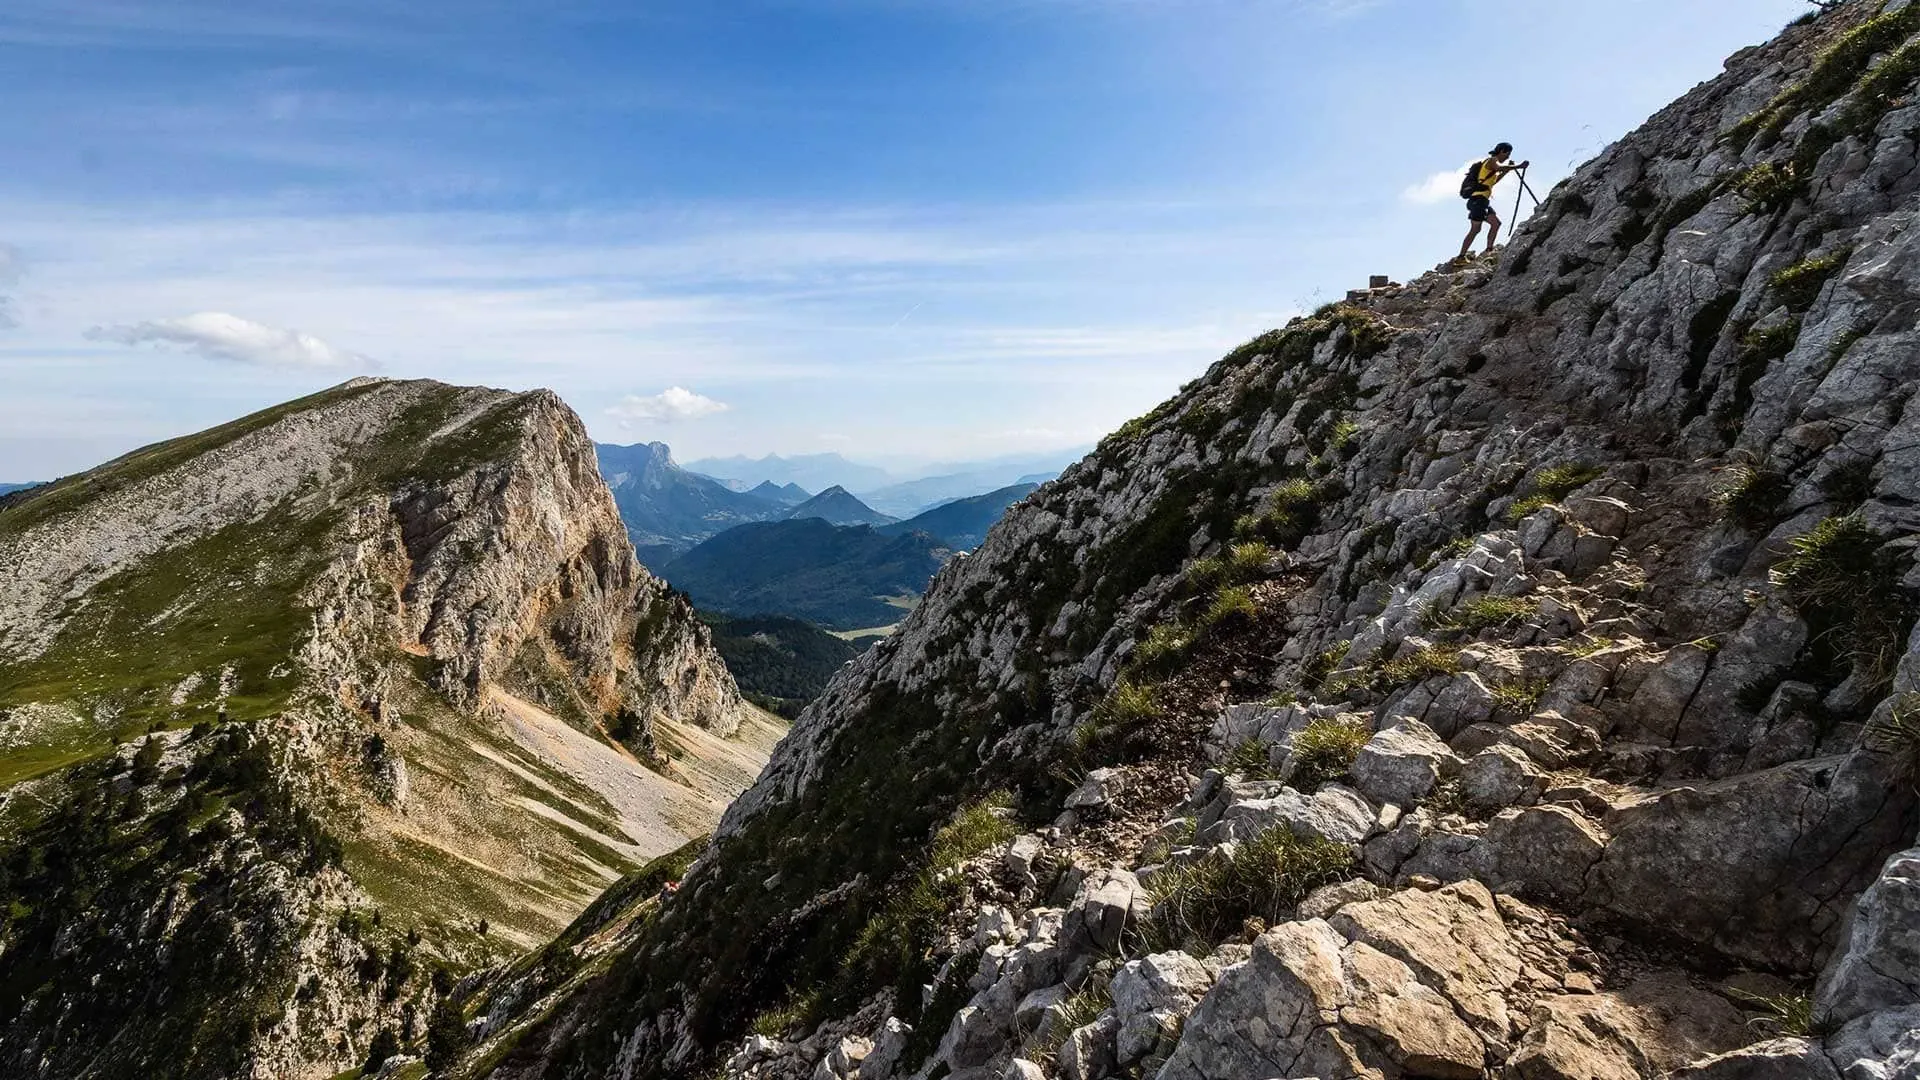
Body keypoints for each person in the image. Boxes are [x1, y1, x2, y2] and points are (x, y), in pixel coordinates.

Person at [1459, 142, 1530, 261]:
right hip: (1478, 200)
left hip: (1482, 201)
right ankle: (1460, 257)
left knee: (1495, 224)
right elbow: (1498, 168)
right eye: (1507, 154)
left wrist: (1507, 171)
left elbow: (1494, 181)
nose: (1508, 157)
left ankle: (1489, 251)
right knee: (1475, 229)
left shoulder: (1491, 166)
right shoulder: (1492, 160)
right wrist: (1518, 166)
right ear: (1502, 151)